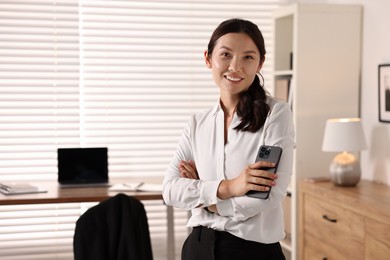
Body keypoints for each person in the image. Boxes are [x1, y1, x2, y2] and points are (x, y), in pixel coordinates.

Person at [162, 18, 295, 260]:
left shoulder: (276, 114)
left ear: (260, 63)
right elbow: (171, 190)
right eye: (226, 54)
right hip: (198, 247)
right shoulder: (196, 124)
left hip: (252, 251)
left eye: (248, 57)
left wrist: (207, 202)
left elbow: (266, 196)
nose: (235, 67)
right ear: (208, 58)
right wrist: (230, 187)